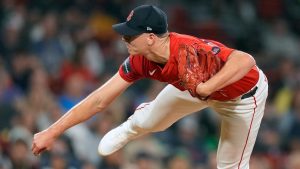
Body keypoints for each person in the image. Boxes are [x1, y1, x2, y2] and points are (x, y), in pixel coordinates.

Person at [32, 5, 268, 169]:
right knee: (152, 122)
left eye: (130, 35)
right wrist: (52, 131)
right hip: (195, 89)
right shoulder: (139, 60)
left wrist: (208, 88)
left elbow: (245, 61)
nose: (124, 39)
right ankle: (129, 128)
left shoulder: (188, 48)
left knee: (230, 166)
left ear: (151, 38)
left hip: (243, 98)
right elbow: (99, 99)